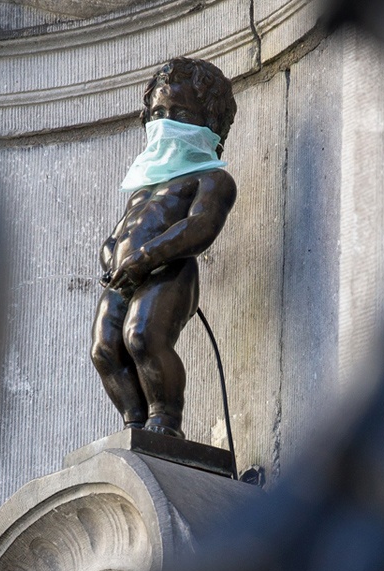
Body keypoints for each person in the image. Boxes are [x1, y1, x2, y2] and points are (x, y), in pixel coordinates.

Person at [90, 57, 238, 439]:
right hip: (124, 277)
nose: (166, 123)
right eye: (158, 114)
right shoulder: (143, 188)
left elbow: (201, 226)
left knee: (142, 336)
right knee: (105, 349)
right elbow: (119, 234)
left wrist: (146, 258)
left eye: (180, 114)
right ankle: (134, 426)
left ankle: (165, 421)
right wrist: (110, 258)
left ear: (210, 122)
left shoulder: (211, 179)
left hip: (169, 271)